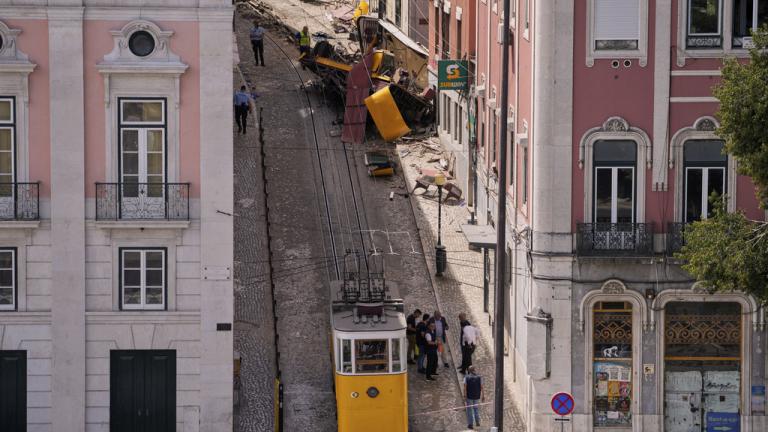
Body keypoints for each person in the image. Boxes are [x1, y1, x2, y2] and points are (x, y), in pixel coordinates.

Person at [464, 365, 483, 429]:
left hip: (469, 396)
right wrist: (483, 395)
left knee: (469, 410)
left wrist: (465, 396)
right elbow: (481, 386)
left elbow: (465, 388)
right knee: (476, 408)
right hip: (477, 396)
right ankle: (477, 422)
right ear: (474, 370)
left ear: (468, 371)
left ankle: (470, 424)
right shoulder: (479, 377)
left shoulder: (466, 378)